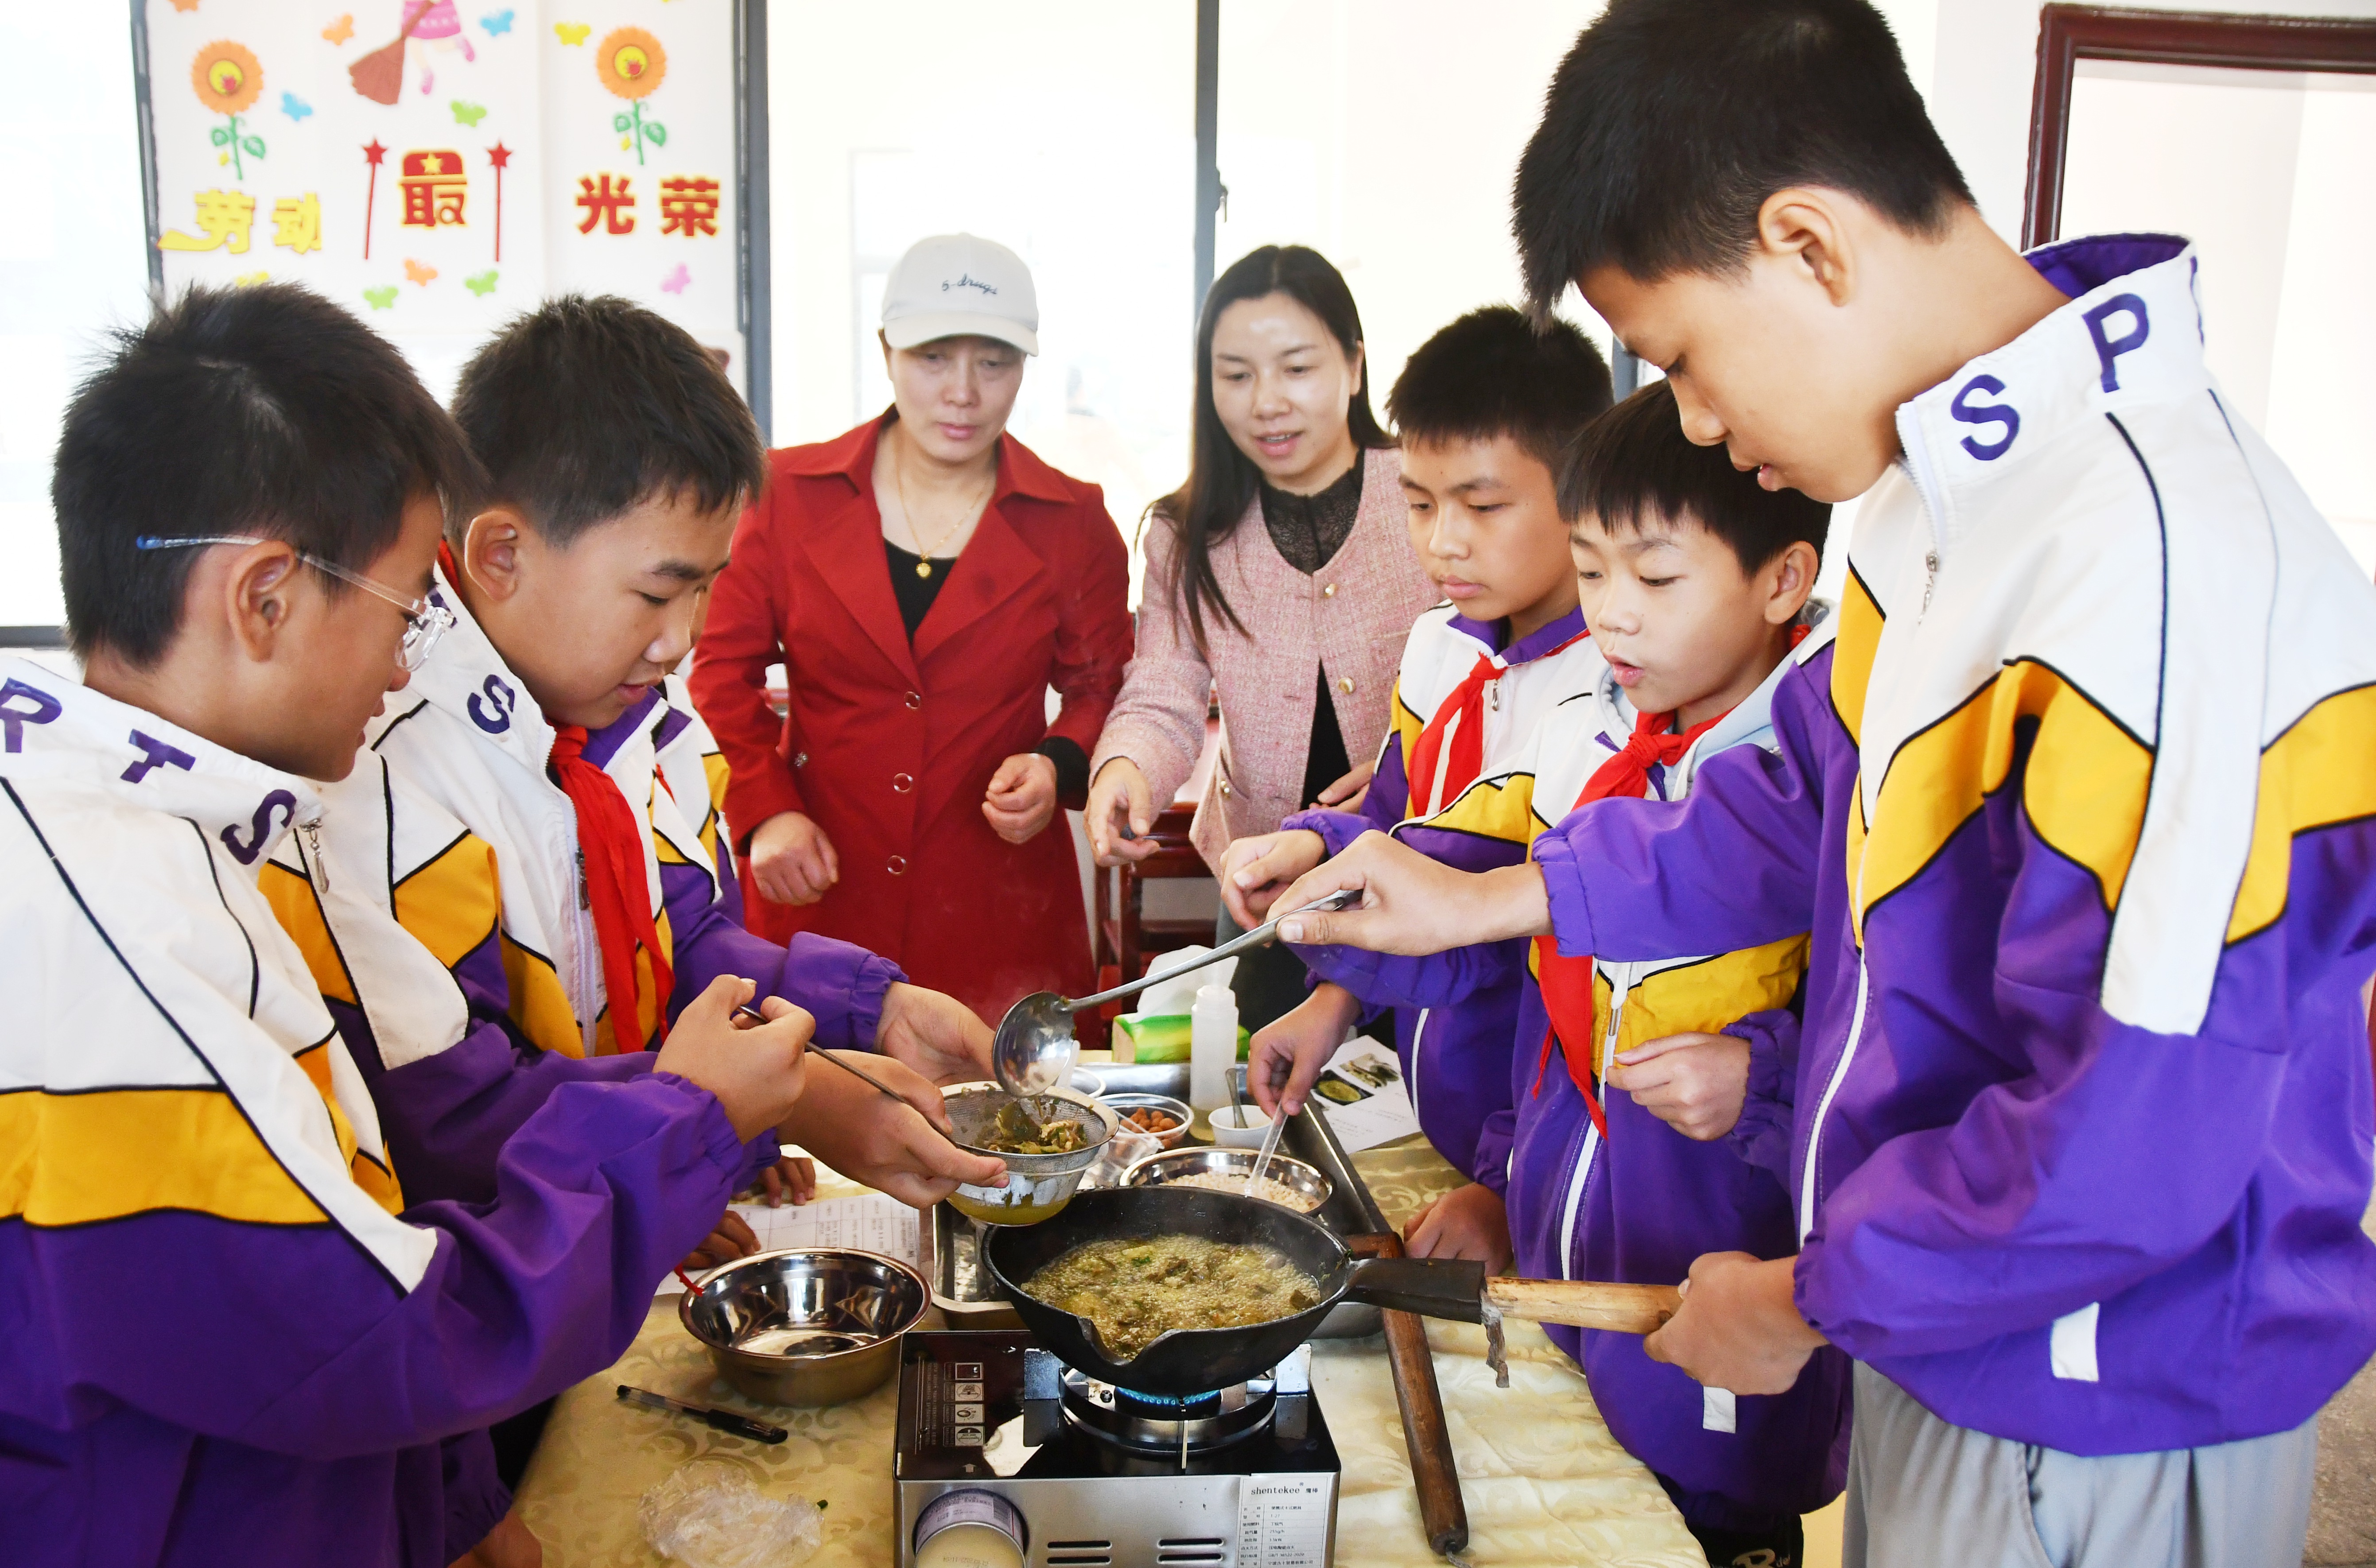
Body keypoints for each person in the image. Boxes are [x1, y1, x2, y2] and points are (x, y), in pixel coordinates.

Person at [1266, 2, 2376, 1564]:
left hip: (2102, 1382)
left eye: (1683, 360)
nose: (1701, 421)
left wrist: (1805, 1296)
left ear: (1806, 244)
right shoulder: (1952, 508)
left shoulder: (2148, 561)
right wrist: (1487, 889)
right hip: (1955, 1330)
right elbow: (1791, 809)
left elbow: (2128, 1136)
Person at [0, 281, 815, 1568]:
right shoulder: (111, 922)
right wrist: (685, 1123)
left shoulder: (222, 824)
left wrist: (449, 1503)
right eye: (399, 603)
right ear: (264, 596)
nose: (410, 658)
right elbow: (369, 1333)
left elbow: (377, 1179)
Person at [1223, 305, 1613, 1272]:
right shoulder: (1438, 645)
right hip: (1432, 1106)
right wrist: (1328, 994)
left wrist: (1507, 1185)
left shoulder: (1615, 689)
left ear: (1580, 493)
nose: (1443, 542)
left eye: (1482, 507)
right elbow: (1398, 821)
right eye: (1420, 502)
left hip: (1532, 1159)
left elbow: (1568, 980)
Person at [689, 234, 1132, 1026]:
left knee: (1011, 1127)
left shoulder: (1073, 519)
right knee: (812, 1114)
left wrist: (1055, 760)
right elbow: (722, 672)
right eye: (934, 357)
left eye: (993, 362)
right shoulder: (787, 492)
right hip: (823, 884)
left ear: (1025, 366)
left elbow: (1103, 686)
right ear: (887, 351)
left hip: (999, 905)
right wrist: (766, 808)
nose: (963, 393)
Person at [1087, 244, 1438, 1027]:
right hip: (1260, 881)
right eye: (1236, 375)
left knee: (1408, 1118)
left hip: (1424, 868)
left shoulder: (1428, 494)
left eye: (1296, 369)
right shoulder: (1187, 531)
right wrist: (1127, 770)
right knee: (1260, 1095)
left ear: (1353, 366)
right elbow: (1162, 689)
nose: (1265, 402)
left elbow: (1492, 669)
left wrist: (1404, 769)